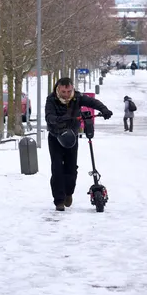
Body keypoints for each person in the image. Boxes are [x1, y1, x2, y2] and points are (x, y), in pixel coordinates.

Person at [45, 77, 113, 211]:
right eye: (63, 92)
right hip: (56, 136)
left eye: (68, 91)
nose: (66, 94)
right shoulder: (51, 99)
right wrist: (60, 119)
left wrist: (104, 110)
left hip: (72, 137)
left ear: (72, 89)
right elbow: (49, 117)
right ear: (58, 89)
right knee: (57, 168)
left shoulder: (77, 97)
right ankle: (59, 200)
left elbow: (94, 102)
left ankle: (68, 192)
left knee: (71, 168)